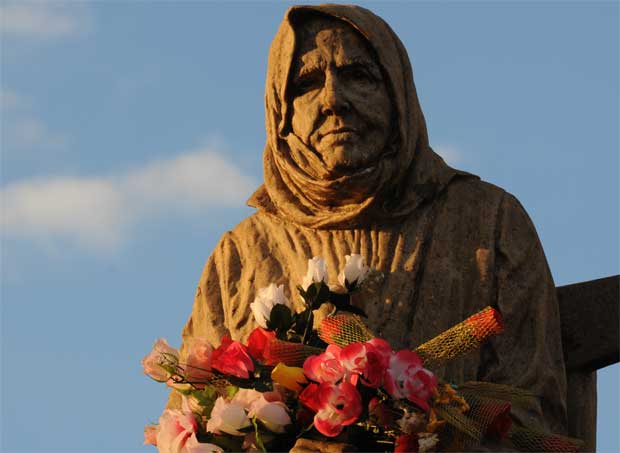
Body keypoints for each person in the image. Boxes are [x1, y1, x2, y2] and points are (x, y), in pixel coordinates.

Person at [169, 4, 568, 449]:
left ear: (398, 92)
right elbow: (195, 422)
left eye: (358, 75)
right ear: (279, 113)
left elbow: (532, 417)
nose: (332, 99)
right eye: (305, 83)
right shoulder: (238, 256)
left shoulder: (490, 224)